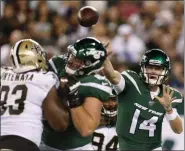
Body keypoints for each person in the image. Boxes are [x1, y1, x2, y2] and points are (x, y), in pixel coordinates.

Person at [102, 48, 183, 150]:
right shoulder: (131, 82)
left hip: (153, 147)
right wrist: (103, 58)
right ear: (143, 68)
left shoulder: (168, 94)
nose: (153, 71)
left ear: (165, 71)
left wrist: (169, 109)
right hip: (125, 144)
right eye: (150, 67)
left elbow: (178, 130)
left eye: (158, 68)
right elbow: (112, 75)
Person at [40, 37, 113, 150]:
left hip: (76, 147)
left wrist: (74, 99)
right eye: (72, 55)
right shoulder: (57, 63)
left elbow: (86, 129)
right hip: (44, 142)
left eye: (78, 59)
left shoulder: (94, 84)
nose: (71, 60)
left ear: (90, 64)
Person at [0, 39, 69, 151]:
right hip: (23, 141)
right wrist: (64, 95)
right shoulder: (44, 78)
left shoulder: (2, 73)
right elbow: (60, 124)